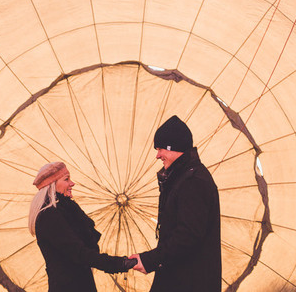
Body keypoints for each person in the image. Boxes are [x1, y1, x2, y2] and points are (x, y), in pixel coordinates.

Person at [130, 115, 221, 291]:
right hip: (178, 277)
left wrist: (150, 260)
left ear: (174, 147)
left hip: (189, 282)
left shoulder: (193, 181)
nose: (157, 155)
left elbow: (188, 236)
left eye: (160, 148)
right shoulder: (181, 177)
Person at [29, 161, 137, 291]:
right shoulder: (49, 216)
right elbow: (80, 253)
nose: (72, 183)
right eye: (66, 179)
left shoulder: (68, 210)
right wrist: (120, 263)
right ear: (52, 185)